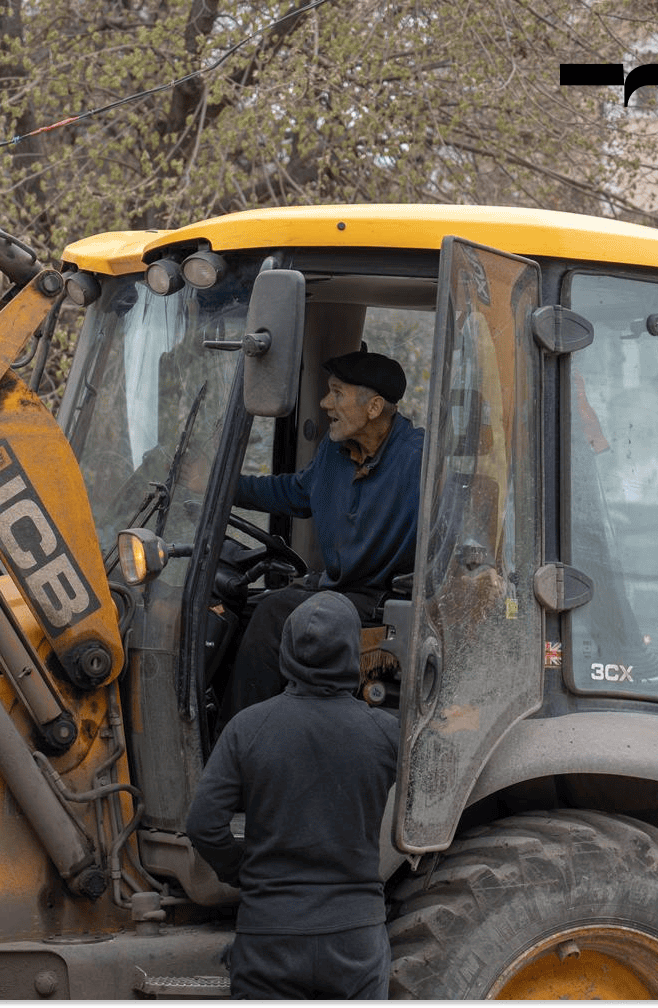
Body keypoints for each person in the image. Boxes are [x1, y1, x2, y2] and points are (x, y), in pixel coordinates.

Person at [186, 592, 400, 1000]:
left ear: (284, 650)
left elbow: (202, 825)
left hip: (269, 936)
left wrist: (243, 872)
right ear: (353, 651)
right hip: (355, 939)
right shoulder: (386, 733)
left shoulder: (246, 728)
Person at [222, 347, 423, 720]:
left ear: (374, 407)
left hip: (382, 600)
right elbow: (292, 493)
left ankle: (238, 739)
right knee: (243, 609)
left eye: (337, 393)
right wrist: (222, 485)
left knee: (272, 614)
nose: (324, 402)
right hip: (336, 589)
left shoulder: (420, 460)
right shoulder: (334, 453)